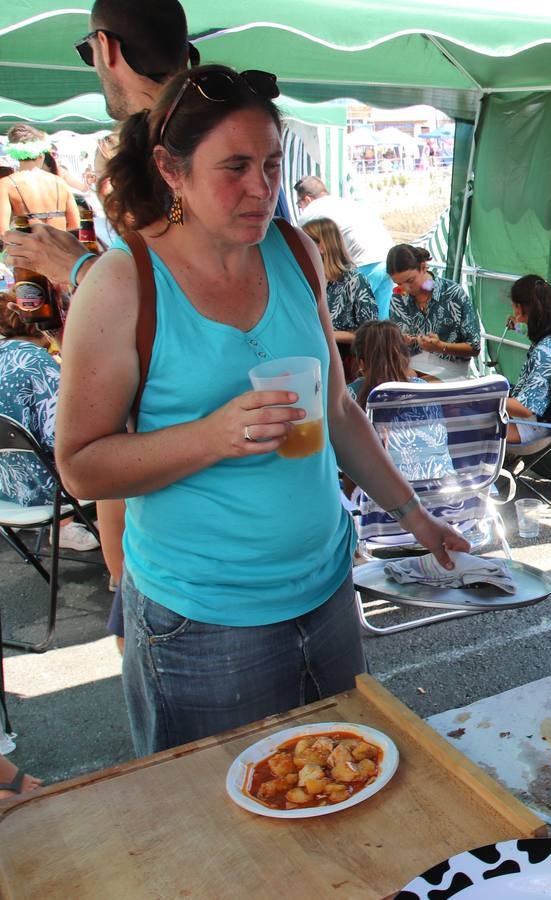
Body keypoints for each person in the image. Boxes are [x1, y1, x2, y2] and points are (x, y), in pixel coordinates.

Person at [55, 64, 468, 755]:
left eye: (272, 164)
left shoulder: (296, 252)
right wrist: (214, 436)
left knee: (339, 789)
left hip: (326, 591)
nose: (261, 188)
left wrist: (413, 515)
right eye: (236, 166)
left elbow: (337, 408)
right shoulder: (124, 284)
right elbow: (82, 467)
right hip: (204, 621)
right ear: (171, 170)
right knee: (221, 831)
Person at [0, 0, 196, 598]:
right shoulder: (213, 126)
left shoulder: (165, 146)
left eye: (88, 53)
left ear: (107, 48)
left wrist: (76, 266)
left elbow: (183, 302)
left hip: (179, 521)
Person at [0, 305, 99, 551]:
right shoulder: (33, 359)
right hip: (47, 489)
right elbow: (65, 432)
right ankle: (115, 552)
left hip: (5, 488)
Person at [347, 320, 450, 482]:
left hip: (387, 499)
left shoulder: (351, 396)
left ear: (361, 363)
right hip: (444, 491)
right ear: (406, 358)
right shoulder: (424, 390)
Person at [294, 176, 395, 318]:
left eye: (299, 204)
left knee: (346, 317)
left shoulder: (310, 212)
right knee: (381, 320)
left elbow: (301, 247)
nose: (301, 208)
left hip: (364, 262)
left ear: (307, 199)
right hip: (388, 258)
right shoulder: (346, 202)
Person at [386, 244, 482, 379]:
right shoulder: (398, 298)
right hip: (409, 369)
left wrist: (441, 347)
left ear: (423, 267)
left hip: (450, 372)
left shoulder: (452, 294)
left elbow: (474, 348)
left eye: (410, 281)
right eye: (398, 284)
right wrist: (400, 342)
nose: (405, 288)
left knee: (414, 389)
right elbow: (395, 345)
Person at [503, 274, 551, 445]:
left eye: (515, 308)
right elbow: (530, 333)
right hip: (532, 423)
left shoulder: (545, 353)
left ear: (521, 309)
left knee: (461, 417)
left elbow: (525, 409)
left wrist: (484, 397)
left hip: (528, 427)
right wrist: (518, 327)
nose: (514, 314)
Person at [301, 217, 377, 347]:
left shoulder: (354, 281)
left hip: (344, 358)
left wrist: (325, 335)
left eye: (304, 241)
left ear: (322, 247)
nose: (299, 246)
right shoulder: (306, 279)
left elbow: (370, 334)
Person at [1, 125, 79, 232]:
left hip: (27, 246)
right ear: (41, 153)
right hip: (59, 245)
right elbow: (75, 224)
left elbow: (2, 230)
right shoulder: (60, 182)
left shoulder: (6, 184)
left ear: (14, 153)